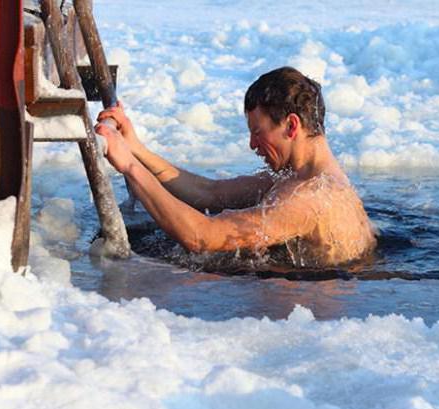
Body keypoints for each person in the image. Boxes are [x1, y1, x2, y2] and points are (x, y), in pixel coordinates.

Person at [95, 66, 376, 267]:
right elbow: (210, 192)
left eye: (258, 132)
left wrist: (130, 167)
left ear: (291, 125)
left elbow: (202, 237)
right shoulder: (304, 178)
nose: (252, 145)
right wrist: (136, 148)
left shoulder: (307, 199)